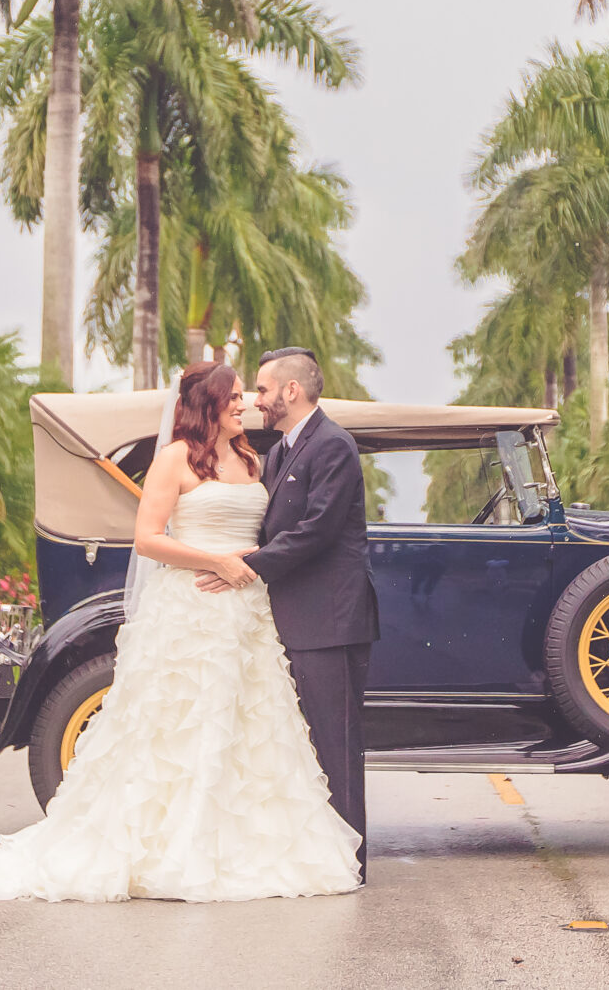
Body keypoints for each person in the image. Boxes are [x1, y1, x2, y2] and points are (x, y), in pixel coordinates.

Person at [0, 360, 359, 902]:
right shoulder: (175, 458)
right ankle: (169, 846)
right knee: (177, 727)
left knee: (250, 725)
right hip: (194, 607)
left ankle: (244, 846)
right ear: (207, 404)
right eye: (232, 396)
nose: (243, 402)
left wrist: (248, 565)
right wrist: (217, 561)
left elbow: (276, 528)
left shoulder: (256, 459)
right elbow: (148, 539)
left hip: (248, 611)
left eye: (245, 395)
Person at [201, 346, 377, 879]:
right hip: (289, 620)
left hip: (330, 621)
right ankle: (311, 853)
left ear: (291, 391)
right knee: (298, 747)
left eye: (261, 389)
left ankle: (349, 861)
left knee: (335, 745)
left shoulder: (334, 446)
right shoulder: (279, 452)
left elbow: (318, 530)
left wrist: (246, 565)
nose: (256, 400)